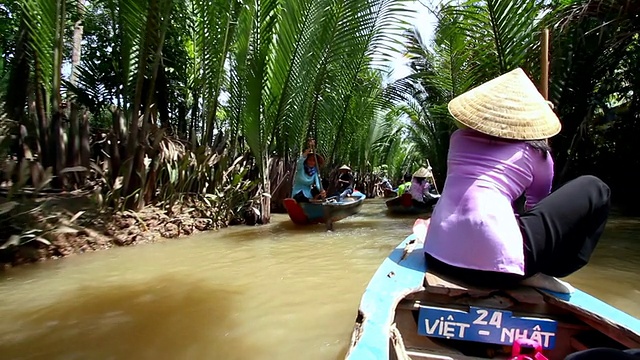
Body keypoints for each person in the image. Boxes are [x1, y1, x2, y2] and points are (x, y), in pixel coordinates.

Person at [422, 68, 611, 294]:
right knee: (595, 187)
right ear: (529, 121)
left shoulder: (458, 139)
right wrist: (539, 136)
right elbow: (536, 205)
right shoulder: (537, 154)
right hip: (496, 271)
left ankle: (520, 264)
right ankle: (537, 270)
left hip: (437, 254)